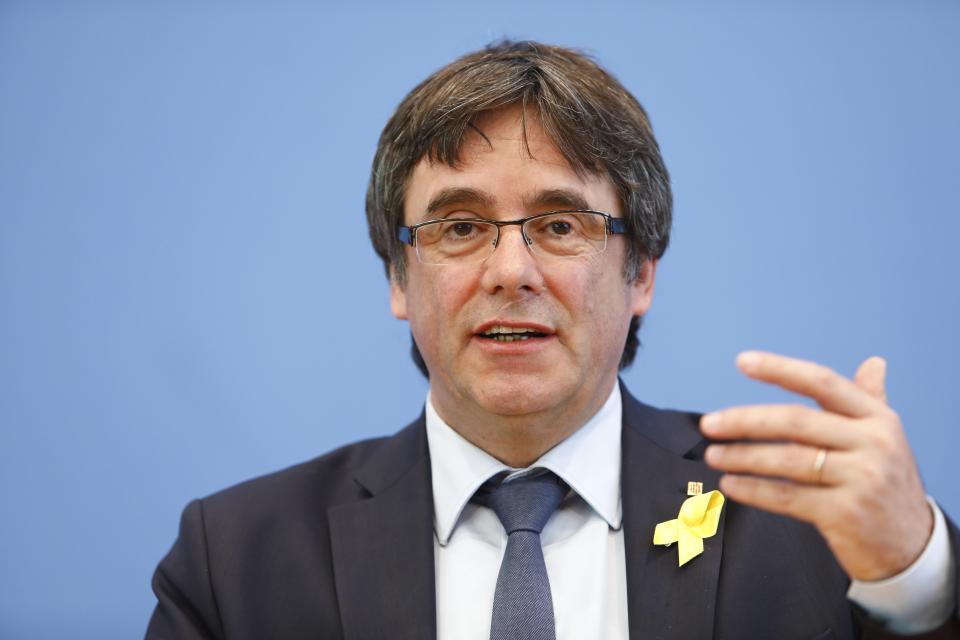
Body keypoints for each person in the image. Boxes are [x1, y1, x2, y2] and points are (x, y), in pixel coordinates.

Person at [146, 41, 959, 639]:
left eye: (559, 224)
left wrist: (914, 577)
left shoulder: (803, 527)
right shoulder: (239, 559)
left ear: (640, 271)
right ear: (399, 279)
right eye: (460, 226)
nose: (511, 269)